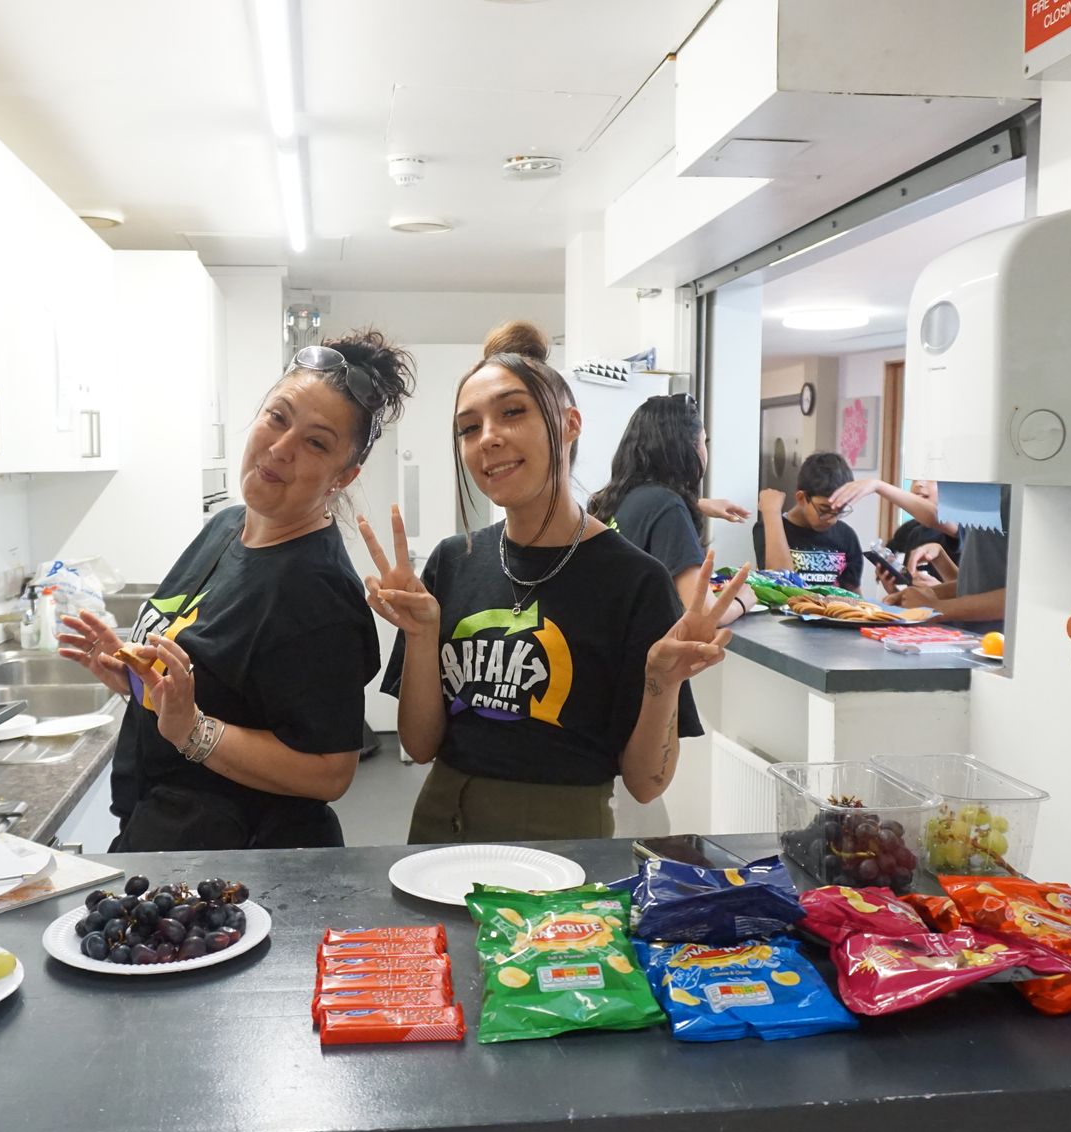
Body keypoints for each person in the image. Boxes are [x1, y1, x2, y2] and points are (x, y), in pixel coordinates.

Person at [367, 322, 745, 842]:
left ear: (569, 424)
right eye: (468, 427)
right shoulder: (452, 563)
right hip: (440, 828)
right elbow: (421, 743)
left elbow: (646, 783)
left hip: (566, 842)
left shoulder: (634, 581)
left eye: (512, 412)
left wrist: (663, 680)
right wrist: (420, 636)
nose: (488, 438)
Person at [56, 331, 415, 851]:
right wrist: (137, 681)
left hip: (241, 869)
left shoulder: (316, 591)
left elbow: (330, 772)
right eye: (278, 417)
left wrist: (193, 731)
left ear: (345, 475)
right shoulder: (226, 526)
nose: (280, 447)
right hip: (168, 841)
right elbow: (215, 688)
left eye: (316, 442)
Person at [588, 392, 753, 628]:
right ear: (686, 451)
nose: (705, 451)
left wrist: (699, 504)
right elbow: (703, 614)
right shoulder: (667, 507)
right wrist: (742, 600)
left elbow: (648, 513)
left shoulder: (613, 498)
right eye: (703, 442)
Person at [829, 475, 1008, 624]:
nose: (920, 484)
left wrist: (935, 606)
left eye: (931, 478)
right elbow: (974, 585)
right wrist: (918, 596)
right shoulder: (915, 533)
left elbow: (1017, 598)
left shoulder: (1009, 497)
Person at [755, 452, 865, 590]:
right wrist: (772, 513)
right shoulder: (769, 527)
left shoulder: (846, 535)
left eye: (840, 510)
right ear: (801, 498)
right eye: (824, 510)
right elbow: (780, 582)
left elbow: (854, 595)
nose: (832, 520)